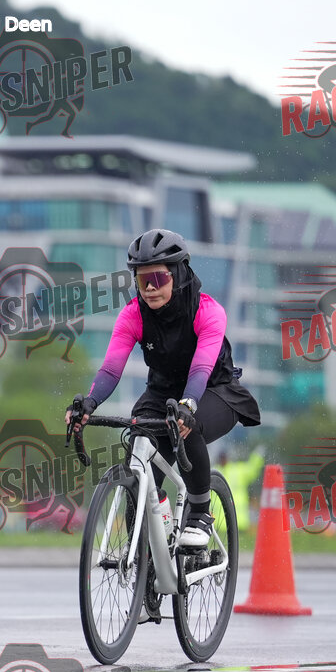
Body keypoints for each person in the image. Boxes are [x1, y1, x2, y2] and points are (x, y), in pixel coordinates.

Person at [66, 229, 261, 547]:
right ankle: (147, 550)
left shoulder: (208, 311)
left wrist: (188, 405)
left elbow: (200, 369)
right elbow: (111, 369)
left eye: (158, 279)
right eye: (143, 280)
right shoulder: (132, 315)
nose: (149, 288)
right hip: (161, 394)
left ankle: (200, 513)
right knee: (138, 470)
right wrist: (90, 402)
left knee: (187, 426)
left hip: (215, 391)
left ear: (179, 275)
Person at [214, 447, 264, 533]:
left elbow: (252, 469)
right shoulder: (215, 472)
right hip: (220, 526)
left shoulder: (236, 470)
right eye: (222, 457)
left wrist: (257, 456)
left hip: (239, 524)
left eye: (224, 457)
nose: (223, 460)